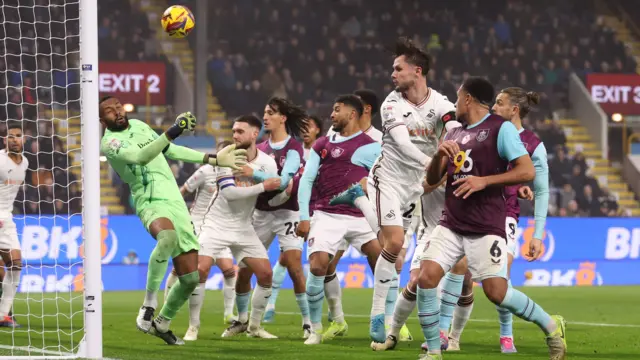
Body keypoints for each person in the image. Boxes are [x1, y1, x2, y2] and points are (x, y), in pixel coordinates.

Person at [413, 77, 565, 360]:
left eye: (458, 98)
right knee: (426, 278)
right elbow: (433, 178)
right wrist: (438, 156)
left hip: (486, 226)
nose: (455, 103)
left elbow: (527, 172)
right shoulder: (453, 133)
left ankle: (550, 325)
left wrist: (484, 182)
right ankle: (434, 350)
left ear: (468, 99)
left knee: (497, 292)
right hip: (451, 223)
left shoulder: (502, 129)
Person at [330, 38, 459, 342]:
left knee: (397, 254)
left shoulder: (440, 103)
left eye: (398, 69)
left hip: (415, 186)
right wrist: (435, 159)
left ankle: (359, 199)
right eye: (392, 69)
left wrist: (455, 146)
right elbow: (402, 143)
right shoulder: (391, 104)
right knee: (394, 242)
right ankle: (378, 314)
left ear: (417, 71)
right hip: (387, 178)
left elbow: (454, 128)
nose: (393, 74)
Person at [99, 96, 247, 345]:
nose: (116, 112)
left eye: (118, 106)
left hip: (176, 203)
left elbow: (167, 149)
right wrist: (173, 130)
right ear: (102, 120)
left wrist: (212, 159)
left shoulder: (141, 126)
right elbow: (141, 157)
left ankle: (163, 322)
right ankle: (148, 304)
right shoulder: (109, 143)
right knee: (166, 237)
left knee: (190, 278)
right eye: (109, 111)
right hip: (149, 199)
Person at [446, 87, 550, 353]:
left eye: (500, 104)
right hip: (474, 211)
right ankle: (449, 335)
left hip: (505, 216)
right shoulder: (486, 131)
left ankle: (506, 334)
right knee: (462, 271)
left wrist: (537, 235)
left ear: (514, 110)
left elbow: (541, 190)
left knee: (499, 278)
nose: (493, 107)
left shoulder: (533, 145)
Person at [295, 95, 383, 345]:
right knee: (317, 266)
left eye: (337, 110)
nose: (332, 115)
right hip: (327, 214)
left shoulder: (372, 146)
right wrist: (304, 216)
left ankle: (387, 320)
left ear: (352, 114)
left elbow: (385, 179)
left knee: (384, 261)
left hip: (360, 215)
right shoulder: (322, 144)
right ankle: (315, 329)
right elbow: (307, 180)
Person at [191, 115, 281, 340]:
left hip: (243, 227)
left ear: (254, 134)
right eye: (233, 131)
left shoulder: (267, 162)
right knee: (200, 271)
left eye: (240, 131)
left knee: (266, 274)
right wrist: (262, 185)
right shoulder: (225, 157)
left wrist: (269, 184)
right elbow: (230, 194)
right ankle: (193, 327)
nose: (235, 135)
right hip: (216, 224)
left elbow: (277, 185)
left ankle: (254, 327)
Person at [235, 97, 311, 337]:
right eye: (265, 112)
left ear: (283, 118)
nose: (265, 116)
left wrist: (253, 174)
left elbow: (286, 180)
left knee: (294, 266)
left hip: (287, 213)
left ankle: (308, 322)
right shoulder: (260, 149)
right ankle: (242, 320)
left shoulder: (294, 148)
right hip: (260, 214)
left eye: (270, 113)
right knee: (245, 269)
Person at [163, 140, 238, 341]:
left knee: (230, 271)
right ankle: (190, 323)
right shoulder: (205, 171)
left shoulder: (237, 172)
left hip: (220, 227)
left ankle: (228, 314)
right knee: (185, 271)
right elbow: (183, 191)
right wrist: (175, 213)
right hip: (197, 224)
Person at [0, 122, 28, 328]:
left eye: (18, 136)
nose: (14, 139)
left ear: (23, 139)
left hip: (6, 219)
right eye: (10, 136)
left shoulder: (24, 163)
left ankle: (3, 314)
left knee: (15, 264)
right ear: (5, 140)